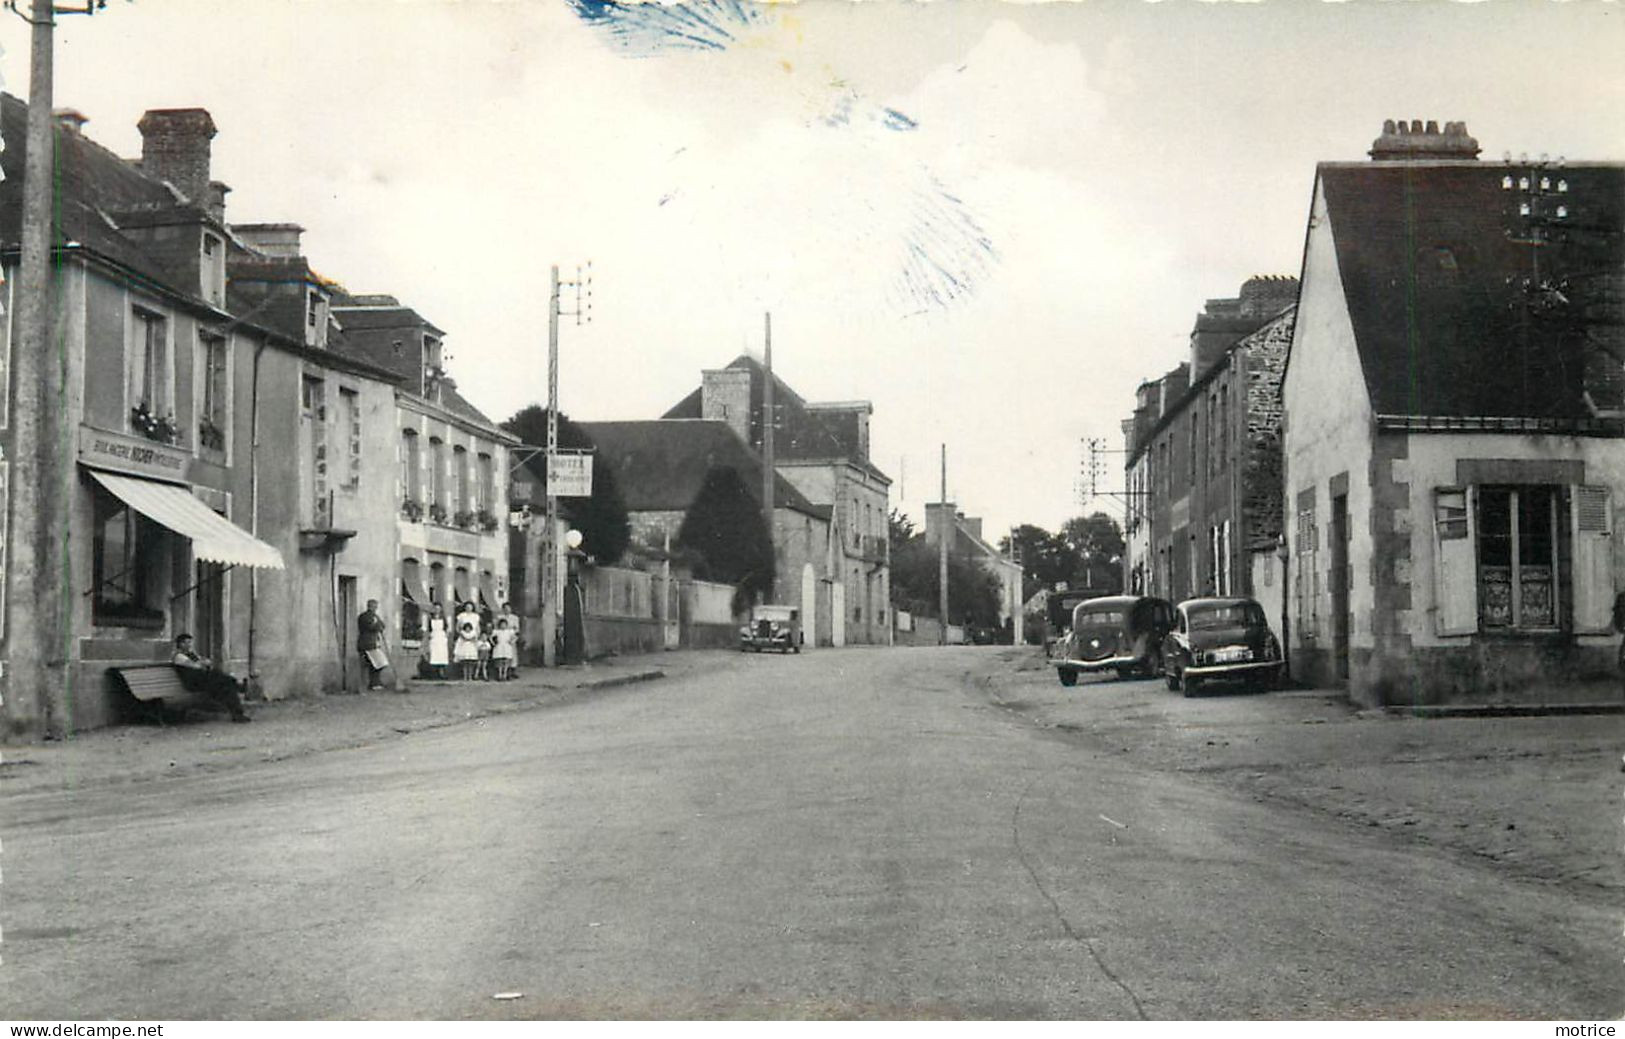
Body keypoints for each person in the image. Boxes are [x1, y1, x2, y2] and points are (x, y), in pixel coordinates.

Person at [172, 633, 250, 723]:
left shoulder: (190, 654)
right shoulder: (179, 656)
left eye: (190, 642)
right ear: (181, 644)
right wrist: (203, 663)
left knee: (228, 688)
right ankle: (238, 686)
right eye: (187, 643)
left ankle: (238, 714)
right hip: (192, 683)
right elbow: (196, 665)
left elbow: (202, 662)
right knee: (217, 675)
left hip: (202, 680)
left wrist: (203, 662)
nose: (189, 645)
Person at [357, 599, 389, 690]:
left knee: (380, 663)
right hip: (367, 644)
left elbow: (382, 625)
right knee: (378, 663)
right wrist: (377, 626)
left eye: (376, 607)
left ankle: (375, 682)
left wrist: (378, 625)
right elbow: (371, 627)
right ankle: (374, 683)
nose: (375, 608)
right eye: (374, 606)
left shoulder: (375, 616)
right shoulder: (364, 616)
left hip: (374, 644)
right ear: (369, 606)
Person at [454, 601, 481, 681]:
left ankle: (471, 676)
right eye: (467, 607)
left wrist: (476, 637)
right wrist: (463, 635)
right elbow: (457, 627)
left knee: (472, 659)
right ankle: (464, 676)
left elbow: (478, 628)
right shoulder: (461, 616)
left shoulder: (476, 616)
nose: (469, 608)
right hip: (463, 637)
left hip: (473, 637)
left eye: (470, 607)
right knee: (464, 659)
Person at [425, 602, 450, 680]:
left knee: (441, 655)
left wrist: (446, 636)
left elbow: (447, 628)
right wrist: (429, 636)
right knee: (434, 655)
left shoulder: (443, 618)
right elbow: (428, 629)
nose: (437, 610)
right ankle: (433, 674)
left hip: (441, 637)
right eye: (435, 608)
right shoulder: (430, 618)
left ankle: (441, 673)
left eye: (438, 608)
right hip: (434, 637)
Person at [498, 601, 522, 678]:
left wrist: (514, 637)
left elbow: (516, 629)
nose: (507, 610)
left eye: (508, 608)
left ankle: (512, 671)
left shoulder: (515, 618)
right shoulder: (499, 617)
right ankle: (502, 672)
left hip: (511, 637)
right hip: (502, 637)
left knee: (512, 654)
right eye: (505, 608)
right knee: (502, 654)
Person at [491, 617, 516, 682]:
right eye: (502, 624)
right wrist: (494, 643)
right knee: (499, 661)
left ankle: (505, 675)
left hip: (507, 646)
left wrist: (511, 642)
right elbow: (491, 638)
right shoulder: (496, 631)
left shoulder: (509, 631)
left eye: (504, 624)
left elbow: (515, 637)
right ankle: (499, 675)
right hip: (499, 647)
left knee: (506, 661)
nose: (503, 626)